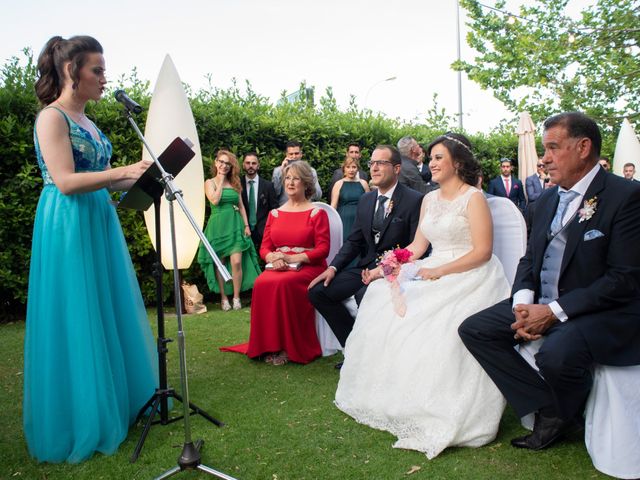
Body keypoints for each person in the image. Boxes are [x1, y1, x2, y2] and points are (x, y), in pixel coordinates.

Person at [459, 112, 640, 452]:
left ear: (583, 147)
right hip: (542, 300)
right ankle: (551, 407)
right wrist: (522, 305)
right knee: (475, 330)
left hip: (599, 310)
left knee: (556, 355)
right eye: (543, 149)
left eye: (553, 148)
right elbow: (530, 260)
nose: (544, 159)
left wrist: (553, 312)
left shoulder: (627, 196)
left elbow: (623, 280)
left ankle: (559, 410)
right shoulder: (545, 200)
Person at [23, 35, 158, 463]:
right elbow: (64, 180)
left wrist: (145, 177)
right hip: (67, 221)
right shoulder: (52, 118)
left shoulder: (91, 123)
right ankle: (81, 416)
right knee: (77, 312)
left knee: (103, 308)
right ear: (71, 72)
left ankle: (118, 400)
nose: (104, 78)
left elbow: (104, 178)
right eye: (96, 71)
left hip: (98, 217)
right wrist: (122, 170)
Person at [335, 133, 510, 459]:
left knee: (433, 324)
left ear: (457, 162)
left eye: (438, 157)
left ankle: (435, 405)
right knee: (379, 297)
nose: (431, 163)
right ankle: (390, 395)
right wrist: (389, 265)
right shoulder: (429, 199)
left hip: (470, 274)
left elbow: (483, 252)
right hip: (431, 267)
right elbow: (416, 248)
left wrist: (439, 272)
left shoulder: (474, 198)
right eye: (430, 158)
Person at [308, 145, 423, 354]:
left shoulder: (414, 200)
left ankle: (378, 354)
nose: (374, 168)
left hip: (397, 271)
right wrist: (333, 268)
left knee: (365, 295)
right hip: (365, 267)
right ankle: (354, 348)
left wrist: (386, 270)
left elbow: (415, 246)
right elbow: (354, 241)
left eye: (381, 163)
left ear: (397, 168)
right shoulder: (366, 199)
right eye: (372, 163)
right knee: (319, 292)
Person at [225, 161, 330, 365]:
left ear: (306, 183)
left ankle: (288, 347)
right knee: (262, 283)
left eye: (296, 178)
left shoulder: (317, 213)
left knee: (284, 284)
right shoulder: (275, 213)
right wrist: (273, 257)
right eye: (287, 178)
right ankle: (266, 345)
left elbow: (323, 249)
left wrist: (293, 258)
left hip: (309, 267)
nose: (290, 183)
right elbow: (264, 248)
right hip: (279, 266)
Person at [197, 150, 261, 311]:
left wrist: (246, 226)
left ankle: (237, 297)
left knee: (237, 262)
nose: (224, 166)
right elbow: (215, 200)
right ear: (215, 162)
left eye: (227, 163)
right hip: (217, 227)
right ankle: (224, 298)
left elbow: (240, 206)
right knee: (221, 264)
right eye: (221, 162)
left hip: (235, 225)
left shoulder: (235, 182)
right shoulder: (209, 182)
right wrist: (221, 180)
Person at [240, 152, 279, 252]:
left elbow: (274, 209)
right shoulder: (237, 184)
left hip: (264, 231)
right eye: (248, 163)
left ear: (258, 165)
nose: (251, 166)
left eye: (254, 163)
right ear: (243, 165)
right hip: (243, 231)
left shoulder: (268, 186)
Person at [330, 156, 370, 240]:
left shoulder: (364, 183)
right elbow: (333, 206)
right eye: (348, 167)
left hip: (360, 220)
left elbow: (369, 205)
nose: (351, 170)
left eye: (354, 167)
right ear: (344, 169)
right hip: (343, 220)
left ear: (357, 169)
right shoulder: (338, 184)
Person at [271, 141, 322, 205]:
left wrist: (308, 178)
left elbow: (318, 196)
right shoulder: (278, 171)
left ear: (301, 154)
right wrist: (282, 172)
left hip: (304, 208)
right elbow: (274, 194)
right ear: (286, 155)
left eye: (296, 153)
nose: (294, 156)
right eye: (291, 154)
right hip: (285, 208)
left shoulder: (310, 171)